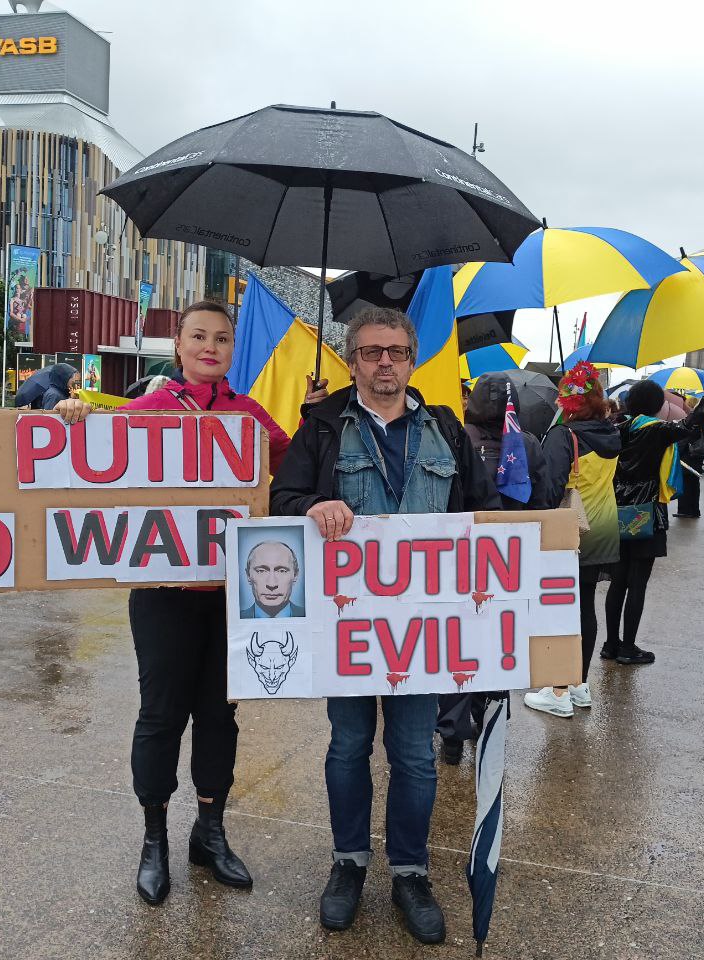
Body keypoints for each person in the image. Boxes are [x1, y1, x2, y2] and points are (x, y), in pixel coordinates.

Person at [54, 300, 313, 909]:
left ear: (231, 349)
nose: (210, 348)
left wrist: (314, 418)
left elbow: (295, 471)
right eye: (199, 336)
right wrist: (73, 415)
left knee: (220, 716)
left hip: (229, 596)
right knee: (161, 715)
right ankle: (154, 840)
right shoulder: (148, 409)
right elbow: (82, 447)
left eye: (221, 339)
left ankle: (209, 831)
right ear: (178, 344)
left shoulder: (249, 415)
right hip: (163, 595)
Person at [270, 307, 499, 945]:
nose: (385, 363)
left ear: (412, 359)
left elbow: (484, 514)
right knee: (348, 745)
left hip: (422, 633)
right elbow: (281, 500)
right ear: (352, 362)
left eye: (396, 352)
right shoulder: (323, 426)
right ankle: (348, 863)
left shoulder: (447, 430)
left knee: (415, 756)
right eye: (371, 352)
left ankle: (410, 873)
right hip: (347, 628)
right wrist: (316, 505)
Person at [443, 371, 554, 752]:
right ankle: (491, 717)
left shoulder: (457, 439)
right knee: (499, 640)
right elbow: (542, 502)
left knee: (458, 642)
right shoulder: (527, 444)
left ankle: (452, 731)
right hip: (509, 564)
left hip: (459, 560)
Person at [603, 369, 704, 665]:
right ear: (657, 405)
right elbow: (692, 422)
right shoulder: (657, 431)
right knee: (637, 583)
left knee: (617, 582)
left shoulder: (618, 428)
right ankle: (628, 647)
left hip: (616, 512)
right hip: (647, 513)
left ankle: (610, 644)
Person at [524, 361, 620, 717]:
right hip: (603, 527)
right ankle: (578, 683)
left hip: (570, 531)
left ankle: (558, 691)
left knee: (560, 610)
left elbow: (550, 489)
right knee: (585, 606)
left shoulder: (565, 436)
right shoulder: (611, 433)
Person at [241, 541, 304, 618]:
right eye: (261, 571)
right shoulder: (234, 619)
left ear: (295, 575)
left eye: (282, 571)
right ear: (248, 575)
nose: (271, 584)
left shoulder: (311, 615)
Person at [674, 399, 704, 518]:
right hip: (697, 455)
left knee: (686, 483)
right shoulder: (702, 420)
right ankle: (694, 510)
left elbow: (685, 438)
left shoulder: (692, 420)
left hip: (688, 455)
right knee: (694, 483)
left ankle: (685, 510)